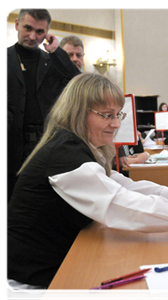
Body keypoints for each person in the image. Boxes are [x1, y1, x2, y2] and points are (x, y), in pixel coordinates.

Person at [5, 73, 168, 299]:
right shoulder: (64, 153)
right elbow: (123, 205)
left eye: (117, 114)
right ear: (77, 111)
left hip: (49, 268)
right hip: (29, 285)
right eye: (106, 115)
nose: (117, 124)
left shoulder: (74, 146)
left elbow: (120, 185)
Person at [5, 8, 80, 206]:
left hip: (45, 146)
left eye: (39, 32)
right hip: (10, 149)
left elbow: (78, 85)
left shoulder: (53, 61)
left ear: (47, 33)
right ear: (16, 24)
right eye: (27, 28)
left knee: (42, 206)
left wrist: (57, 51)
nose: (32, 36)